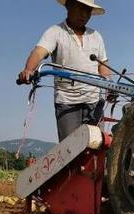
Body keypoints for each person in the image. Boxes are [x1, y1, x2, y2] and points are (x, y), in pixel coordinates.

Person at [18, 0, 111, 141]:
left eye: (88, 11)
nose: (84, 14)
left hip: (94, 101)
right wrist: (29, 69)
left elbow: (103, 65)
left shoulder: (96, 36)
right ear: (68, 6)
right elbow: (38, 52)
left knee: (96, 146)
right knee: (70, 148)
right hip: (67, 102)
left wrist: (110, 86)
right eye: (80, 9)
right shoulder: (55, 32)